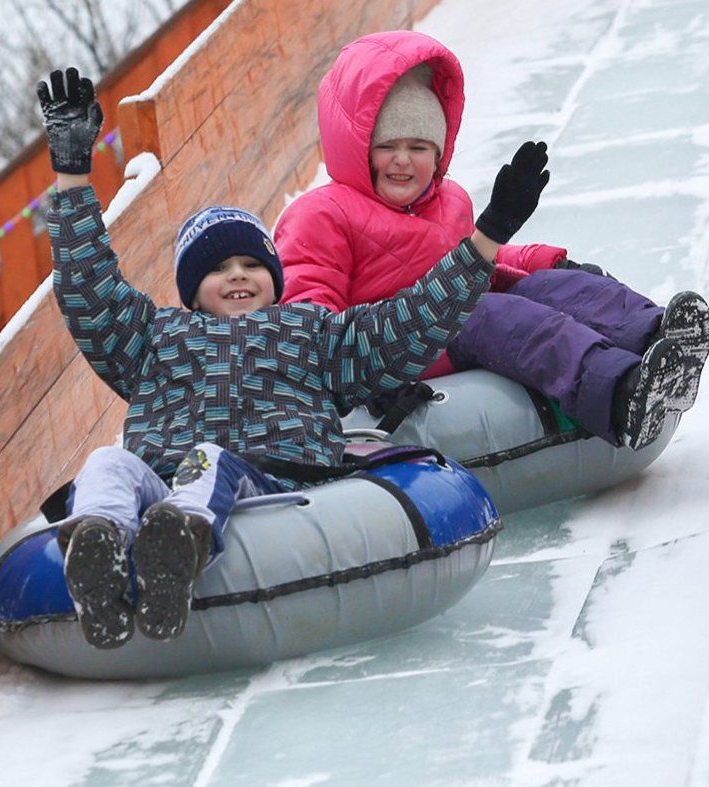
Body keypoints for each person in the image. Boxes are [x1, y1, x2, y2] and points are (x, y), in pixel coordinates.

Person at [36, 68, 547, 648]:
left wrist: (487, 238)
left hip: (271, 479)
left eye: (252, 265)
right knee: (106, 463)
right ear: (189, 289)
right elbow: (89, 289)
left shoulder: (310, 332)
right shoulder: (153, 338)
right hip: (162, 478)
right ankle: (98, 554)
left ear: (275, 281)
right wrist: (73, 174)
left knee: (210, 459)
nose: (237, 276)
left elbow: (408, 323)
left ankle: (177, 548)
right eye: (217, 268)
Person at [274, 30, 709, 451]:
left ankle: (661, 338)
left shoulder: (448, 200)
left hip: (458, 317)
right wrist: (375, 374)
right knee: (489, 314)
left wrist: (544, 262)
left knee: (547, 288)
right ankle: (620, 395)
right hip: (397, 349)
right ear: (359, 146)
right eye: (387, 146)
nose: (403, 161)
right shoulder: (321, 214)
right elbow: (308, 325)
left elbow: (481, 255)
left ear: (440, 150)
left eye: (419, 147)